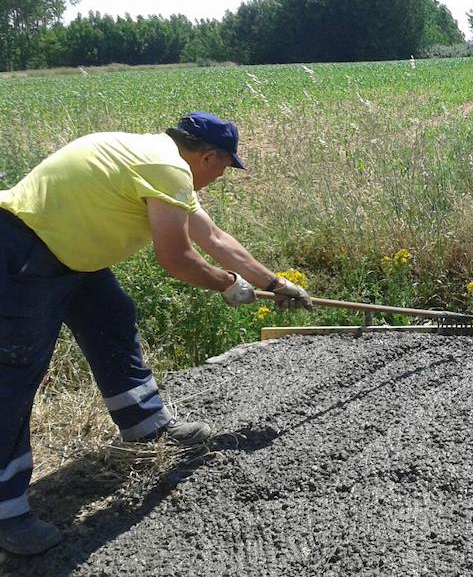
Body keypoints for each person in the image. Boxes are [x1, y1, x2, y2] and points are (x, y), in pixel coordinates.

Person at [0, 112, 312, 555]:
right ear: (208, 156)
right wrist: (228, 285)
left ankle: (146, 425)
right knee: (12, 377)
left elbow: (216, 238)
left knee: (112, 321)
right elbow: (178, 257)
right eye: (224, 168)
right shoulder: (166, 168)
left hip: (69, 255)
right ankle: (7, 514)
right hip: (21, 253)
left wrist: (274, 284)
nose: (221, 177)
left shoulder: (156, 157)